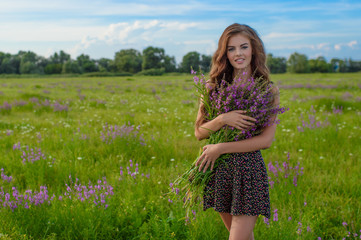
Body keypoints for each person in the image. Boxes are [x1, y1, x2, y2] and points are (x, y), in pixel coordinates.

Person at [194, 23, 280, 240]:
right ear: (224, 53)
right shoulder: (212, 87)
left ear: (254, 49)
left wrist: (221, 147)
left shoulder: (268, 90)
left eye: (243, 47)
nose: (238, 54)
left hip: (249, 171)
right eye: (231, 49)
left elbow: (266, 140)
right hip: (219, 170)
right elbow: (199, 132)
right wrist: (223, 119)